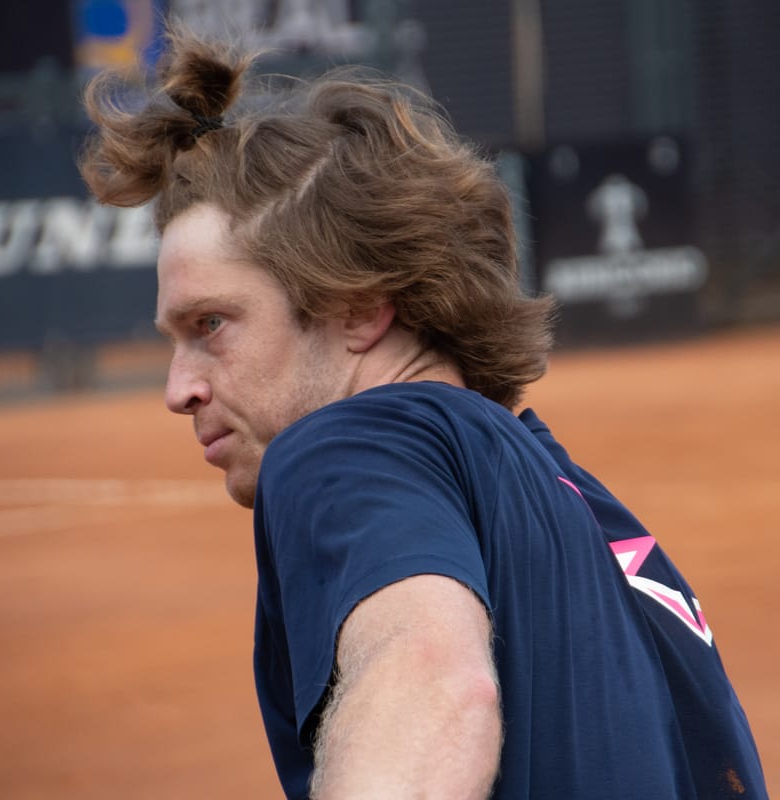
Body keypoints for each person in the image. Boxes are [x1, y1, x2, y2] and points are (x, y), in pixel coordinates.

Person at [80, 24, 768, 800]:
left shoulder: (345, 445)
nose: (180, 389)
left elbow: (434, 684)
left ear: (360, 309)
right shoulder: (579, 507)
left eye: (211, 326)